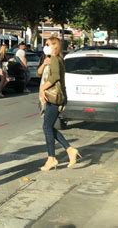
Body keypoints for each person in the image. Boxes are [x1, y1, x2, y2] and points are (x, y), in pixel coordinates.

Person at [37, 37, 80, 171]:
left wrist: (43, 88)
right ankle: (70, 150)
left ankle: (52, 158)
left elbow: (55, 77)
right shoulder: (54, 59)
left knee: (47, 127)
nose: (46, 46)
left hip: (53, 97)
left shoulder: (55, 59)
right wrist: (44, 63)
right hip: (52, 97)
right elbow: (40, 73)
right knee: (49, 127)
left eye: (48, 44)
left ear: (55, 46)